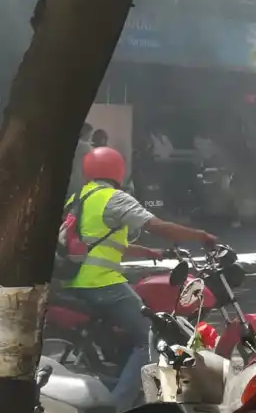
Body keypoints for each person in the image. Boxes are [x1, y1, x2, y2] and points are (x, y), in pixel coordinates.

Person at [63, 146, 218, 412]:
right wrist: (201, 235)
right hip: (103, 284)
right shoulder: (114, 198)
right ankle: (119, 406)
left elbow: (93, 243)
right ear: (117, 171)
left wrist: (148, 252)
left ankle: (122, 382)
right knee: (149, 337)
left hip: (75, 282)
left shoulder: (79, 198)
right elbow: (157, 226)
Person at [68, 123, 94, 199]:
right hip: (78, 180)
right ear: (86, 133)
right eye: (90, 134)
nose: (90, 137)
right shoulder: (85, 146)